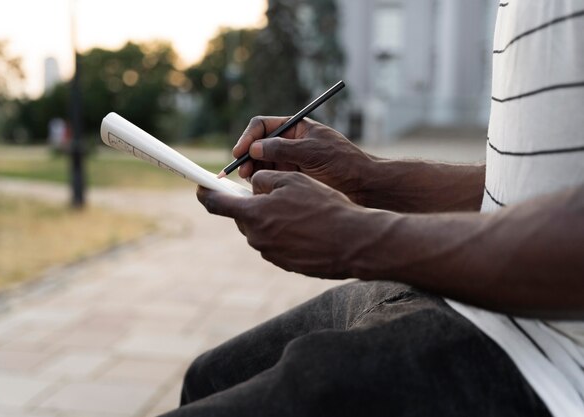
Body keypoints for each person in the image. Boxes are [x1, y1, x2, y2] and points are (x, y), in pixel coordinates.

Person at [159, 2, 584, 416]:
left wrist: (353, 236)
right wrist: (366, 176)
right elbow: (530, 186)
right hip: (469, 296)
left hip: (556, 370)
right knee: (208, 377)